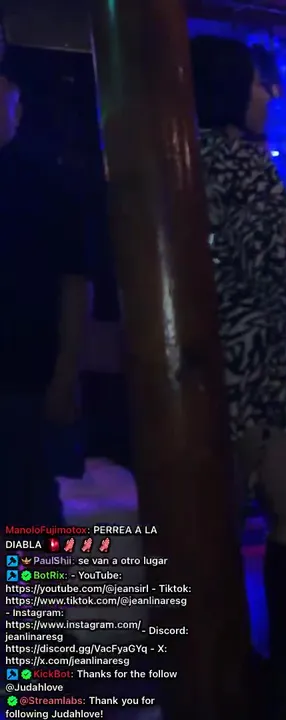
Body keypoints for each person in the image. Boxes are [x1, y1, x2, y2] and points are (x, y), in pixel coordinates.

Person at [189, 35, 286, 714]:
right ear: (231, 89)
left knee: (258, 511)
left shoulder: (191, 157)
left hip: (224, 358)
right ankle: (282, 663)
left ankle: (240, 662)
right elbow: (267, 258)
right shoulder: (235, 158)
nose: (270, 95)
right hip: (257, 365)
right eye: (260, 84)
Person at [0, 61, 89, 528]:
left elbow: (74, 285)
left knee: (28, 504)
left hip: (25, 376)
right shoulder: (47, 183)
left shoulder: (45, 185)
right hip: (27, 374)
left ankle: (32, 580)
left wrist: (64, 376)